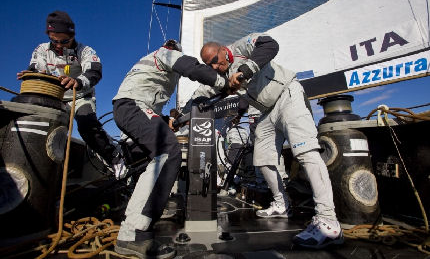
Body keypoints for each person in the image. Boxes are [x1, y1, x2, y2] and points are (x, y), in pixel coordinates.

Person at [200, 33, 344, 249]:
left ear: (222, 50)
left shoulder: (241, 47)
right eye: (207, 65)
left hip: (287, 95)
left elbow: (270, 44)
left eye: (213, 61)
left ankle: (329, 221)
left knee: (306, 152)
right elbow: (209, 91)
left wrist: (245, 69)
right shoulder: (222, 74)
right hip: (265, 111)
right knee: (263, 159)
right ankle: (281, 204)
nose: (213, 67)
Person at [112, 39, 229, 258]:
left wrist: (168, 119)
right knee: (168, 152)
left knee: (159, 157)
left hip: (132, 108)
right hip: (133, 106)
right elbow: (191, 67)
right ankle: (132, 233)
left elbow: (149, 96)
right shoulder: (166, 54)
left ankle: (136, 228)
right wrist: (224, 83)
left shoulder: (150, 65)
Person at [16, 11, 127, 179]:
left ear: (72, 36)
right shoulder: (41, 49)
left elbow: (94, 71)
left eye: (64, 41)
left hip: (81, 96)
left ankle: (114, 157)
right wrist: (30, 74)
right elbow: (35, 67)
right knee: (41, 125)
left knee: (86, 124)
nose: (59, 46)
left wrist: (78, 82)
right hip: (55, 97)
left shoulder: (85, 50)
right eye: (54, 41)